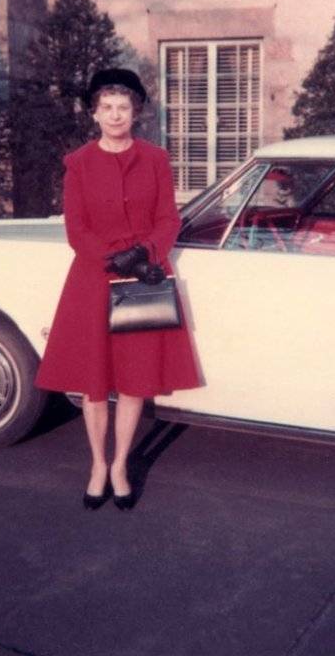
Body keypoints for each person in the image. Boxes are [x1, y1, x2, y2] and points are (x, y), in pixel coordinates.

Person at [35, 68, 201, 511]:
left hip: (143, 278)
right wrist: (113, 257)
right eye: (106, 108)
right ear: (94, 114)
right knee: (95, 383)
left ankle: (121, 464)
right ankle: (96, 464)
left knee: (133, 379)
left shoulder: (156, 160)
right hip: (93, 281)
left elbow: (170, 218)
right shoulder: (79, 164)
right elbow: (77, 229)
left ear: (136, 112)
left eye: (123, 107)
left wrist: (144, 253)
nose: (114, 115)